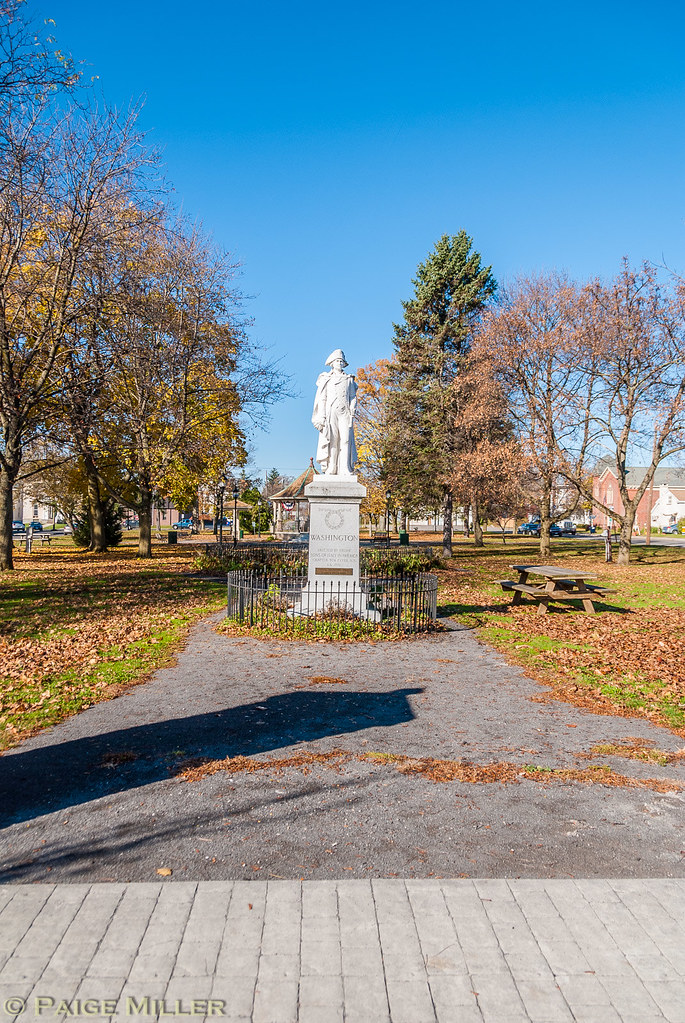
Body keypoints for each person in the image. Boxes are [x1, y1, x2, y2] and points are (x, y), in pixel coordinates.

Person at [312, 349, 358, 475]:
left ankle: (345, 467)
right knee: (333, 439)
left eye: (342, 361)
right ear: (332, 363)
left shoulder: (349, 380)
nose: (340, 363)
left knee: (346, 439)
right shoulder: (326, 378)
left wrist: (353, 408)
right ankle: (332, 466)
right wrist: (322, 415)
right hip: (331, 411)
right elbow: (322, 398)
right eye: (337, 361)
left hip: (345, 412)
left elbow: (352, 397)